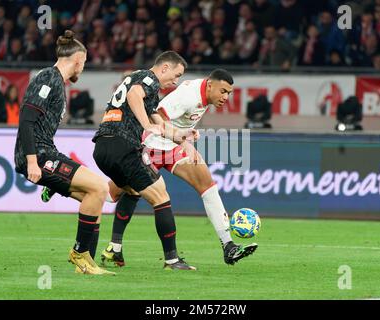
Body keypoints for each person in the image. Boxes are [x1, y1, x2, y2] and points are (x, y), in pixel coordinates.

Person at [102, 69, 258, 267]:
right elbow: (155, 114)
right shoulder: (188, 96)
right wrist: (183, 142)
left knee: (208, 185)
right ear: (210, 85)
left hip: (173, 147)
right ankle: (66, 182)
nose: (225, 97)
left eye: (229, 93)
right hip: (152, 144)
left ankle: (228, 246)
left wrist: (182, 140)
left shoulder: (205, 94)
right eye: (223, 91)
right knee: (114, 193)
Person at [14, 30, 114, 275]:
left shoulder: (57, 82)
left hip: (46, 153)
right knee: (100, 187)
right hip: (38, 155)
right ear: (78, 59)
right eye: (85, 62)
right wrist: (33, 163)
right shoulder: (48, 77)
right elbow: (26, 120)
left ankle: (86, 264)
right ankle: (79, 253)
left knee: (94, 197)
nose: (84, 67)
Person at [92, 51, 197, 270]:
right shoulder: (148, 79)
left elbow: (157, 120)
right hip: (123, 146)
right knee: (161, 196)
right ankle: (172, 260)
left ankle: (114, 249)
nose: (175, 82)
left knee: (129, 191)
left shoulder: (144, 85)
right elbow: (134, 96)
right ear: (164, 67)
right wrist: (147, 126)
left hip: (103, 146)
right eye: (176, 75)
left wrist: (181, 136)